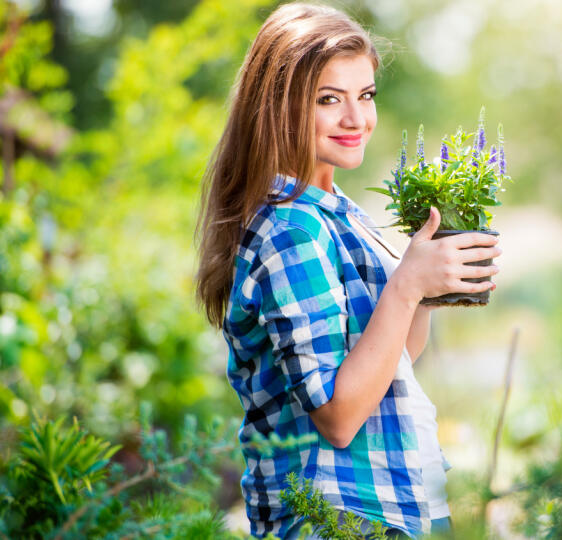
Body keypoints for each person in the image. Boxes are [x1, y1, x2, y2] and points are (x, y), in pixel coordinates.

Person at [194, 3, 501, 538]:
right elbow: (337, 417)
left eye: (366, 95)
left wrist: (429, 284)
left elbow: (392, 363)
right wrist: (405, 286)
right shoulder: (290, 231)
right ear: (278, 106)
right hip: (333, 518)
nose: (357, 119)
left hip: (379, 506)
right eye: (329, 99)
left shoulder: (337, 214)